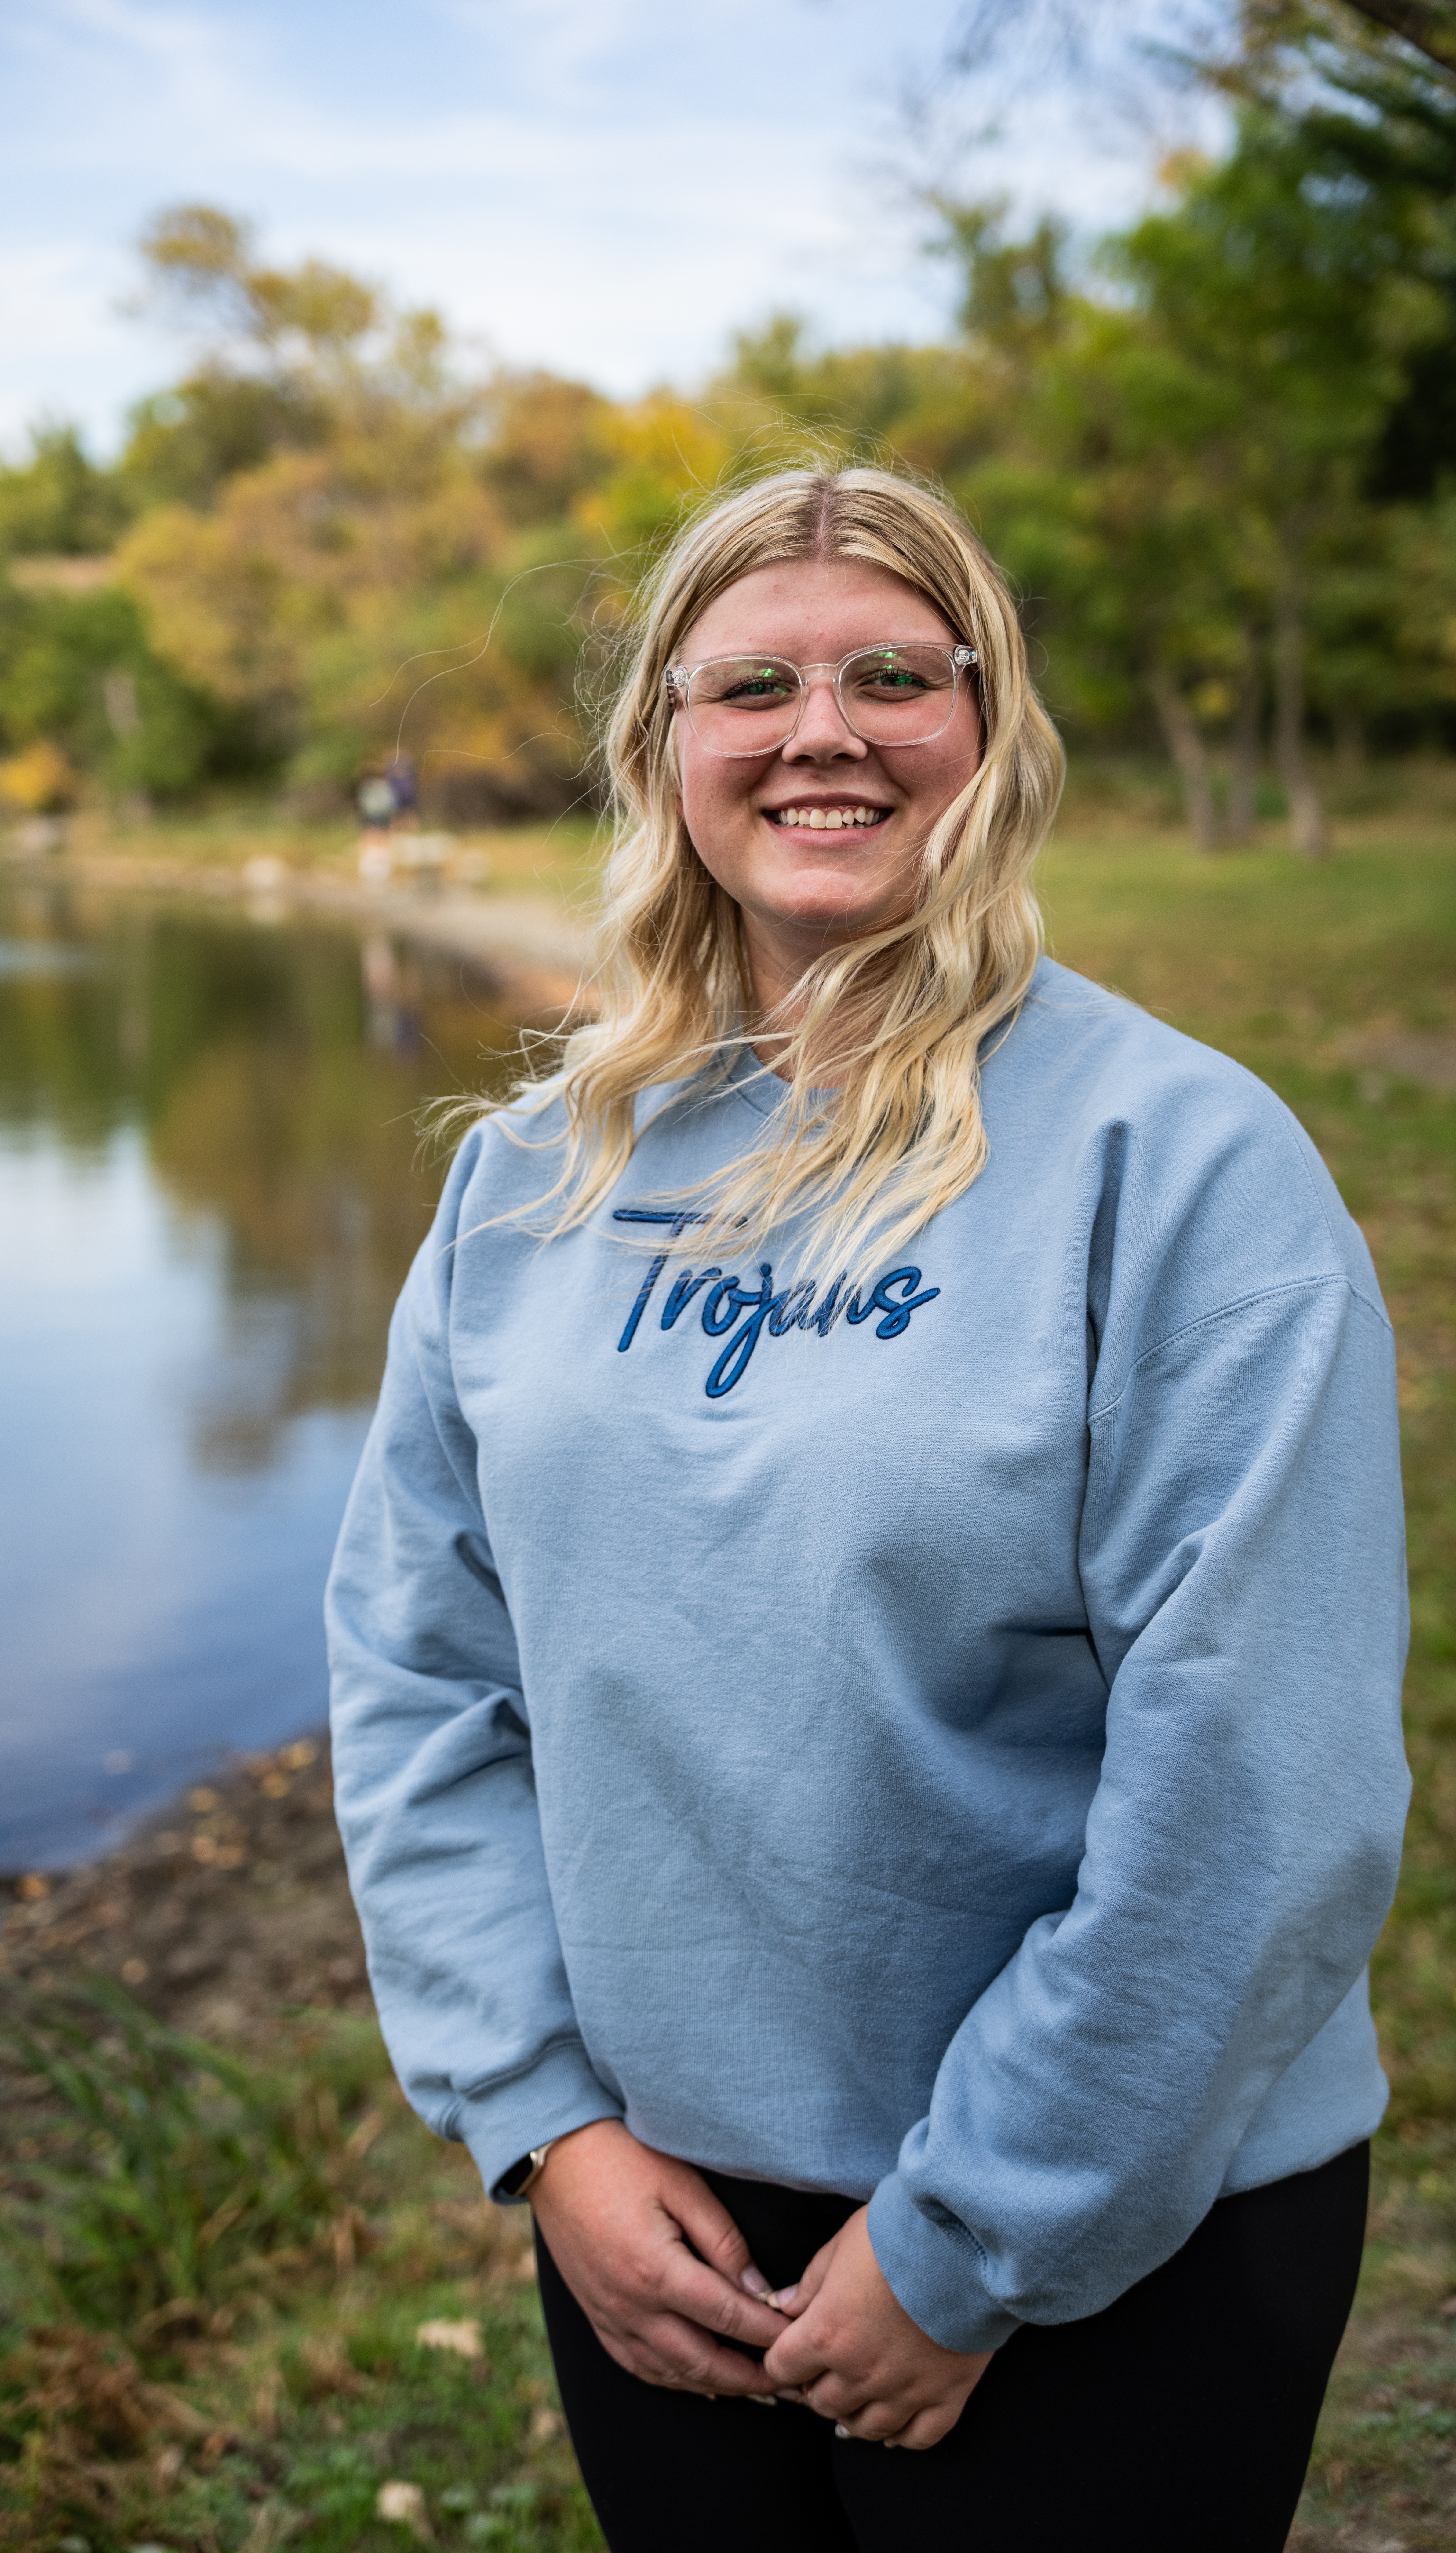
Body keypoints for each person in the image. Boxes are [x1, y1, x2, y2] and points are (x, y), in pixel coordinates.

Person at [324, 466, 1410, 2553]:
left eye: (892, 675)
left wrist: (968, 2239)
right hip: (656, 2218)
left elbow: (1255, 1781)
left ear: (986, 729)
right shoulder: (528, 1179)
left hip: (1113, 2215)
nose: (820, 730)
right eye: (751, 685)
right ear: (662, 748)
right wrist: (544, 2123)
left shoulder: (1180, 1166)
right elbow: (418, 1674)